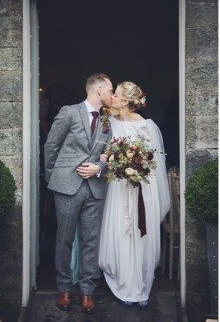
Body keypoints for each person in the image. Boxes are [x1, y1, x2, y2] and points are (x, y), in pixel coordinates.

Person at [43, 73, 113, 314]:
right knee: (64, 239)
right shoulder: (69, 112)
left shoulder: (107, 119)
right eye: (110, 90)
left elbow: (111, 153)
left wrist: (99, 168)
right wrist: (52, 178)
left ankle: (87, 293)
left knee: (90, 242)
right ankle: (63, 289)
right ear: (98, 90)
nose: (112, 95)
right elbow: (51, 146)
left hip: (95, 187)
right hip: (66, 186)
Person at [97, 81, 169, 307]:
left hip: (142, 188)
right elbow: (104, 151)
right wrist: (107, 159)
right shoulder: (108, 123)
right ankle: (125, 285)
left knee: (140, 237)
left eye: (116, 96)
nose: (112, 99)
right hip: (118, 188)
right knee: (121, 233)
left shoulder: (146, 125)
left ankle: (140, 286)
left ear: (126, 101)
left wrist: (137, 167)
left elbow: (153, 161)